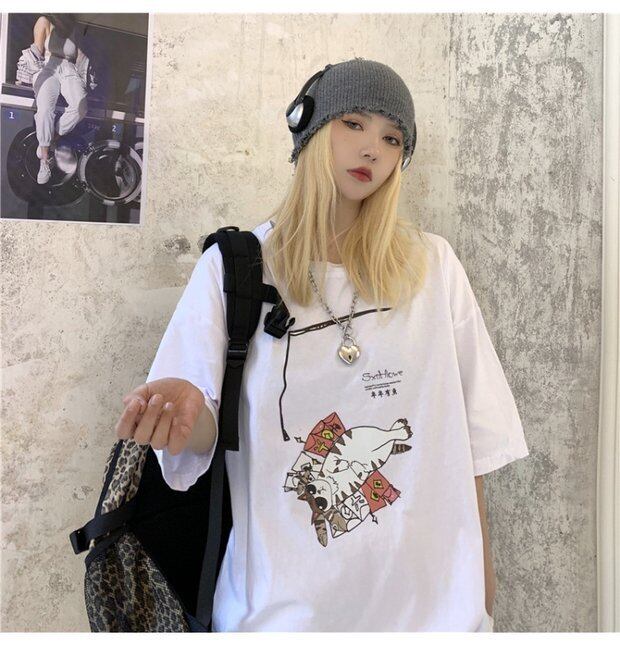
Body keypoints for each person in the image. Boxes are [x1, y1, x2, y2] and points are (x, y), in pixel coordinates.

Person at [114, 57, 528, 632]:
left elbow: (469, 443)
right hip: (283, 615)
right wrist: (183, 415)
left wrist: (480, 587)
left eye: (392, 138)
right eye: (353, 123)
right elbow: (203, 437)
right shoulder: (237, 269)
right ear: (308, 128)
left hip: (434, 616)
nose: (372, 149)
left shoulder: (433, 266)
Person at [31, 14, 88, 185]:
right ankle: (44, 161)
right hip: (49, 66)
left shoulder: (74, 25)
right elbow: (36, 52)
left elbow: (80, 57)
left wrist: (86, 77)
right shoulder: (44, 21)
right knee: (44, 110)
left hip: (69, 69)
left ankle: (49, 141)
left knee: (80, 108)